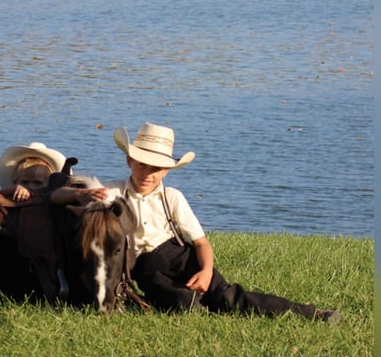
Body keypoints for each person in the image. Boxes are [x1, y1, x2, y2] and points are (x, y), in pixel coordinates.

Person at [83, 122, 342, 321]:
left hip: (180, 255)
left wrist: (206, 271)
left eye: (156, 168)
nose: (148, 174)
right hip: (146, 266)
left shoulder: (172, 197)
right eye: (142, 165)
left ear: (167, 171)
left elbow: (200, 242)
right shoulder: (115, 192)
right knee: (185, 303)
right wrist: (74, 193)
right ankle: (201, 308)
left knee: (228, 296)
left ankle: (312, 314)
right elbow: (79, 195)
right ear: (130, 160)